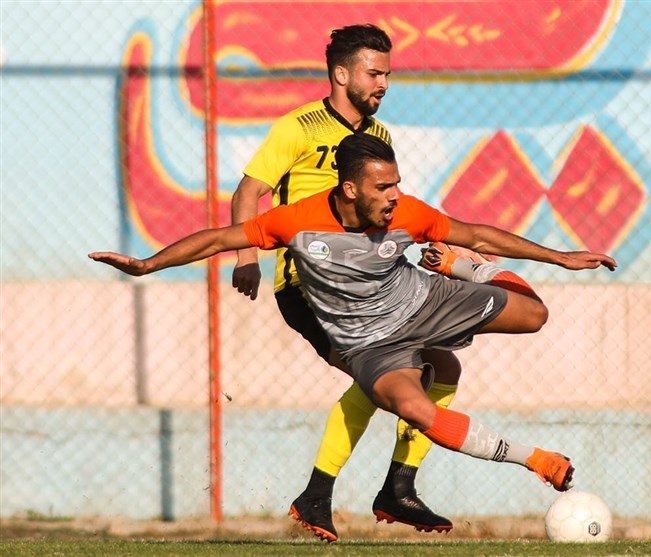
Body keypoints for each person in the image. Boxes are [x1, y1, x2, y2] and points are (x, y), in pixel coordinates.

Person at [89, 134, 618, 540]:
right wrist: (147, 264)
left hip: (425, 301)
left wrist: (561, 257)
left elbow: (476, 233)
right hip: (370, 345)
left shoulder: (407, 214)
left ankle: (462, 271)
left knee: (534, 314)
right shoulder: (296, 222)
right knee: (415, 409)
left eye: (396, 184)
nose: (394, 196)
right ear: (349, 189)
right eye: (383, 188)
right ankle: (535, 459)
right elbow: (217, 239)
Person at [229, 23, 462, 540]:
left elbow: (386, 213)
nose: (384, 84)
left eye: (387, 74)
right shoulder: (298, 127)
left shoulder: (378, 139)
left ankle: (395, 487)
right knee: (386, 378)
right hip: (312, 288)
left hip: (369, 286)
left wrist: (424, 247)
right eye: (374, 73)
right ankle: (327, 495)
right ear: (341, 74)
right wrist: (247, 256)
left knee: (442, 365)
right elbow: (247, 194)